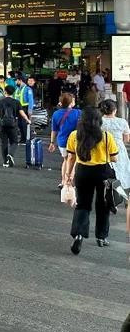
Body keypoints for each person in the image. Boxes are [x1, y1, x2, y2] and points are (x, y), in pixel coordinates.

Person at [63, 107, 119, 253]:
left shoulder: (74, 135)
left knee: (82, 205)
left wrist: (68, 176)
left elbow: (70, 157)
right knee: (103, 205)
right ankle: (101, 237)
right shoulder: (106, 136)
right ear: (98, 121)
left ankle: (79, 235)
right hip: (102, 172)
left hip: (82, 171)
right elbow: (114, 158)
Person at [0, 85, 30, 168]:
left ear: (5, 92)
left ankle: (5, 162)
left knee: (4, 143)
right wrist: (28, 120)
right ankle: (10, 154)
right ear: (13, 92)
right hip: (12, 125)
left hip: (2, 125)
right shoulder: (16, 102)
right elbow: (22, 114)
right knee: (14, 142)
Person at [49, 93, 81, 189]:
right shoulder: (78, 113)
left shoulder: (56, 114)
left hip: (62, 141)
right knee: (73, 160)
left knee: (66, 160)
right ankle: (70, 181)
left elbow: (54, 130)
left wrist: (52, 142)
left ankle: (63, 181)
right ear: (71, 103)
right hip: (75, 140)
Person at [98, 99, 130, 191]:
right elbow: (126, 139)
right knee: (122, 170)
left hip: (102, 148)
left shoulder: (99, 121)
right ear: (115, 110)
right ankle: (119, 191)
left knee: (104, 170)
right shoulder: (122, 122)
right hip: (118, 148)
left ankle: (105, 188)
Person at [14, 76, 34, 144]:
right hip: (18, 108)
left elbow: (31, 100)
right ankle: (22, 138)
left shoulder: (28, 89)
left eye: (16, 80)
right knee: (19, 124)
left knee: (24, 124)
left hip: (24, 108)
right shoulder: (17, 89)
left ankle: (26, 139)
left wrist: (30, 110)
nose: (15, 82)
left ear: (20, 80)